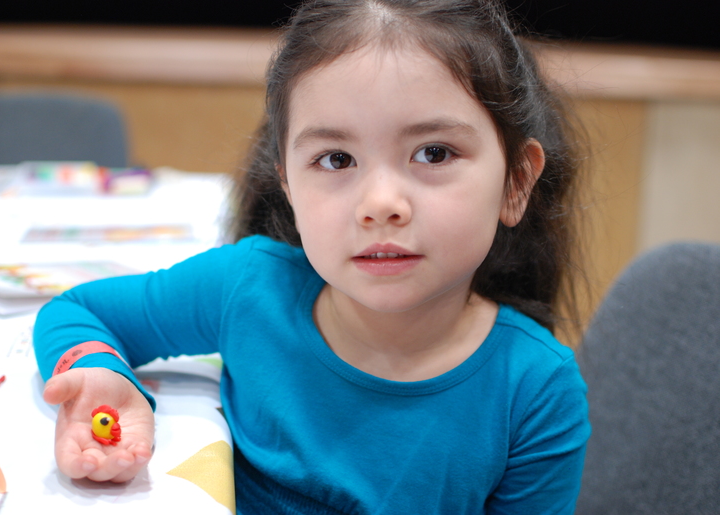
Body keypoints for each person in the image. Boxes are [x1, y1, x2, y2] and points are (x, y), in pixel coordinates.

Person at [34, 0, 591, 513]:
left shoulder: (536, 391)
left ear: (517, 182)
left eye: (434, 153)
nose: (380, 204)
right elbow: (79, 311)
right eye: (336, 159)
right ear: (288, 186)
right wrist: (99, 372)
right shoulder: (247, 289)